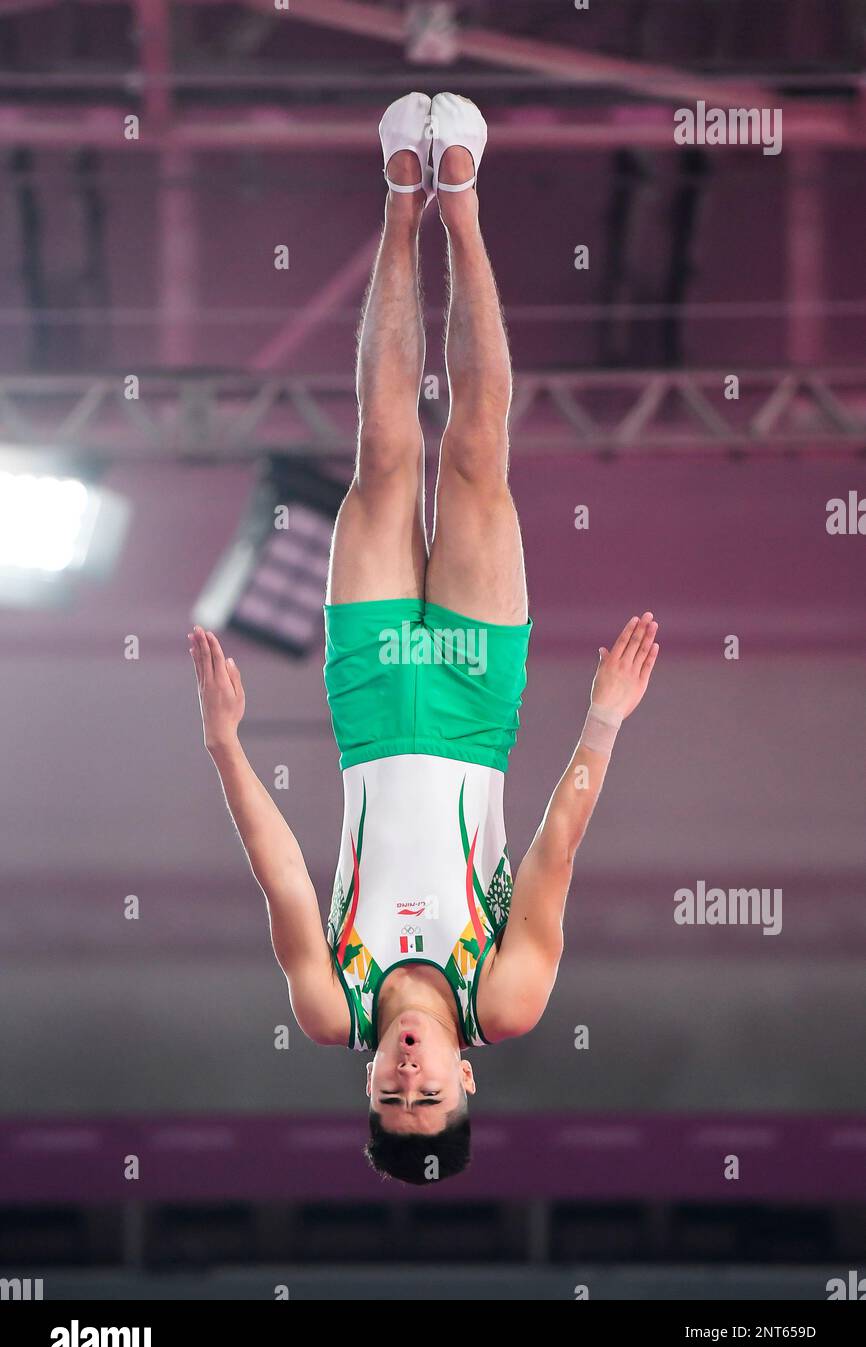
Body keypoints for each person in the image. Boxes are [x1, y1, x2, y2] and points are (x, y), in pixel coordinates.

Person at [189, 94, 659, 1185]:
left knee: (384, 458)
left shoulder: (327, 1001)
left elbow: (277, 873)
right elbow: (552, 855)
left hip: (363, 705)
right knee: (478, 456)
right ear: (465, 1080)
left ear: (367, 1086)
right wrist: (600, 719)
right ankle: (465, 207)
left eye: (390, 1096)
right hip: (471, 703)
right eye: (428, 1095)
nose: (408, 1074)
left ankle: (402, 204)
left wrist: (224, 743)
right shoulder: (506, 996)